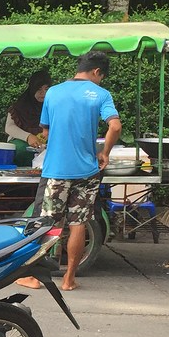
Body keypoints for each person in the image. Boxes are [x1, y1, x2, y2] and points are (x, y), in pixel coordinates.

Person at [20, 51, 121, 292]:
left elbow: (45, 132)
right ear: (97, 72)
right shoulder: (101, 94)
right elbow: (115, 126)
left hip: (56, 170)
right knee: (79, 223)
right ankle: (69, 279)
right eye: (101, 76)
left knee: (45, 223)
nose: (101, 81)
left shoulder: (53, 92)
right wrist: (104, 152)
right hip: (87, 171)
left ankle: (33, 276)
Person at [4, 70, 52, 164]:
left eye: (46, 89)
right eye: (39, 89)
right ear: (32, 89)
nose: (43, 93)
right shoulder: (20, 106)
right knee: (21, 149)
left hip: (46, 147)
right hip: (22, 145)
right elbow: (9, 127)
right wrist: (28, 137)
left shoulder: (53, 106)